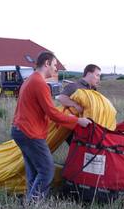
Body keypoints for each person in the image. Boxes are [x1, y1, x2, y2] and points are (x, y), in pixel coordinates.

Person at [11, 51, 92, 201]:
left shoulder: (30, 80)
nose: (56, 69)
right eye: (55, 65)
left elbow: (39, 110)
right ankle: (33, 205)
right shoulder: (39, 83)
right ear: (47, 63)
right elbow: (52, 113)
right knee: (47, 170)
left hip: (19, 131)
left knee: (34, 170)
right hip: (29, 133)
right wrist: (77, 121)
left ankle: (31, 201)